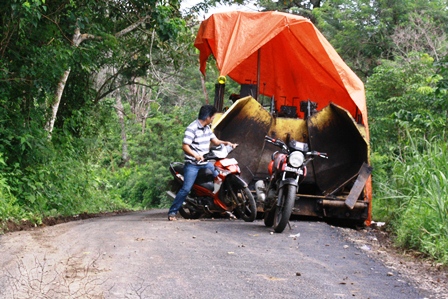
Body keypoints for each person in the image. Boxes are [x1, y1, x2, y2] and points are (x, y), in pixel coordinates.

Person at [168, 105, 237, 221]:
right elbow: (185, 146)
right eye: (213, 117)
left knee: (220, 177)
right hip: (192, 165)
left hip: (205, 162)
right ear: (208, 117)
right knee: (186, 188)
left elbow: (215, 141)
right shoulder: (192, 128)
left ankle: (220, 206)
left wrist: (227, 143)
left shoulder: (207, 128)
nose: (213, 119)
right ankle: (172, 212)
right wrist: (195, 155)